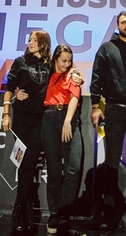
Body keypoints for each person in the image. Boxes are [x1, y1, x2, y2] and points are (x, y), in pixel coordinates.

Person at [89, 11, 126, 229]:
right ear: (117, 25)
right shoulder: (107, 48)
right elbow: (96, 77)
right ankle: (109, 208)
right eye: (123, 22)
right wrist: (95, 106)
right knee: (112, 161)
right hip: (114, 110)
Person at [2, 29, 53, 234]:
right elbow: (9, 88)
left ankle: (23, 207)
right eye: (30, 40)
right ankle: (22, 208)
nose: (30, 43)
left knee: (30, 162)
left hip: (41, 119)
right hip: (22, 117)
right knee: (23, 163)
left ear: (43, 44)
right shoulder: (20, 62)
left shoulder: (51, 64)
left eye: (35, 40)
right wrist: (7, 113)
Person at [41, 43, 85, 236]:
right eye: (63, 61)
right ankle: (54, 213)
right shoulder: (47, 74)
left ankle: (64, 213)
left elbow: (74, 96)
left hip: (69, 118)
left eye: (69, 61)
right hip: (49, 118)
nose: (66, 64)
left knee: (73, 168)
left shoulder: (72, 74)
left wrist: (68, 121)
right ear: (55, 59)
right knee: (53, 170)